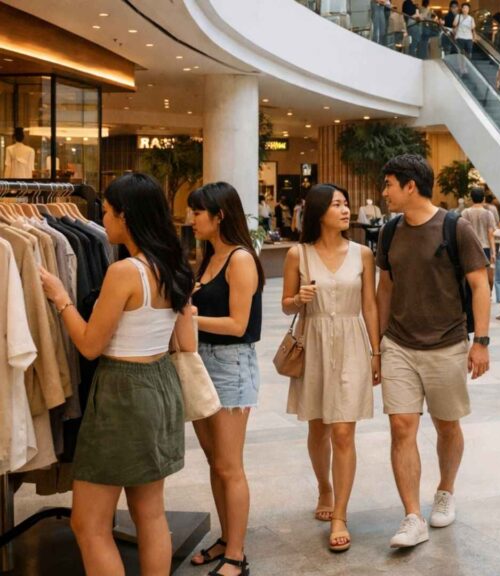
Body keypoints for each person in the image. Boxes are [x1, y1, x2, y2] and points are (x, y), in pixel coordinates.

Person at [38, 173, 195, 576]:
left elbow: (90, 344)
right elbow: (187, 343)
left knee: (88, 523)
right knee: (150, 514)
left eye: (106, 211)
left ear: (125, 216)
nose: (102, 219)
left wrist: (60, 298)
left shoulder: (125, 271)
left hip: (122, 393)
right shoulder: (173, 265)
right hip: (160, 386)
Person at [375, 154, 491, 549]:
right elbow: (384, 289)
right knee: (401, 426)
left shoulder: (455, 228)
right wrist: (377, 345)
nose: (384, 191)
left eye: (389, 183)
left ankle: (445, 489)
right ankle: (411, 516)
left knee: (446, 425)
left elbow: (480, 285)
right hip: (399, 346)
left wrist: (482, 342)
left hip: (447, 344)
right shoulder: (389, 232)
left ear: (411, 186)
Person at [282, 184, 381, 553]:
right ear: (319, 211)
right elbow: (286, 306)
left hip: (353, 341)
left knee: (343, 431)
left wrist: (376, 352)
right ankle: (324, 486)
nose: (345, 209)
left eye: (345, 204)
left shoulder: (363, 253)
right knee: (319, 427)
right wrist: (298, 298)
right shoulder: (298, 254)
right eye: (337, 204)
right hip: (315, 341)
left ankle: (340, 513)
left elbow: (370, 304)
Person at [186, 182, 265, 576]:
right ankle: (226, 537)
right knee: (215, 461)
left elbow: (238, 324)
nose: (191, 219)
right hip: (203, 362)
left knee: (230, 465)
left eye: (198, 212)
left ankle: (237, 553)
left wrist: (189, 318)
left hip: (231, 364)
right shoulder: (208, 258)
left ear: (220, 216)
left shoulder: (240, 259)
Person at [461, 187, 497, 288]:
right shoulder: (488, 214)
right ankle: (486, 296)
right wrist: (493, 253)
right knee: (485, 276)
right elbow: (491, 235)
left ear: (471, 198)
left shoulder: (465, 212)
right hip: (485, 248)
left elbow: (462, 233)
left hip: (470, 248)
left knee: (471, 275)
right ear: (483, 198)